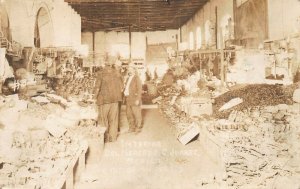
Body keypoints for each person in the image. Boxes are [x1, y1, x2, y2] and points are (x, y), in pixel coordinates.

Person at [93, 61, 123, 142]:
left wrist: (94, 97)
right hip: (115, 100)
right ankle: (113, 138)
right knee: (113, 119)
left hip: (104, 100)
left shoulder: (101, 73)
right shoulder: (117, 73)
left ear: (104, 65)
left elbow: (97, 87)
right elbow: (121, 87)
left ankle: (105, 138)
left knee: (103, 119)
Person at [123, 64, 143, 134]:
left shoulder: (136, 78)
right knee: (129, 114)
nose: (129, 70)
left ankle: (138, 128)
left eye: (131, 69)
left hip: (134, 99)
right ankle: (131, 128)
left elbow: (140, 89)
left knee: (137, 114)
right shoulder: (129, 78)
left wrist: (138, 99)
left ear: (134, 70)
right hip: (128, 98)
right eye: (129, 69)